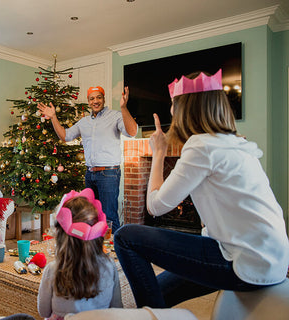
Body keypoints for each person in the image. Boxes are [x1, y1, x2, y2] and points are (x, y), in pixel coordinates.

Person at [114, 69, 289, 308]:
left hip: (244, 264)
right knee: (158, 294)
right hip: (270, 261)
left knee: (125, 236)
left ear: (186, 109)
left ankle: (149, 317)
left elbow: (155, 207)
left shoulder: (201, 145)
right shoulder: (233, 142)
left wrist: (159, 153)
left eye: (174, 104)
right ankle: (152, 310)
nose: (171, 110)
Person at [37, 86, 138, 231]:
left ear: (103, 99)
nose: (95, 101)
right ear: (88, 101)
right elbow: (65, 136)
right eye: (92, 98)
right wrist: (53, 117)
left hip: (109, 174)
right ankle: (96, 251)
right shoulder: (84, 122)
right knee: (91, 216)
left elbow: (132, 132)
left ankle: (115, 252)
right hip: (90, 174)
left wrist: (123, 107)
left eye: (98, 97)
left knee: (109, 216)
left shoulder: (115, 116)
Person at [37, 188, 122, 319]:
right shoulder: (109, 266)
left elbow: (43, 311)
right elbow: (117, 308)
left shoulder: (53, 269)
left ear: (60, 235)